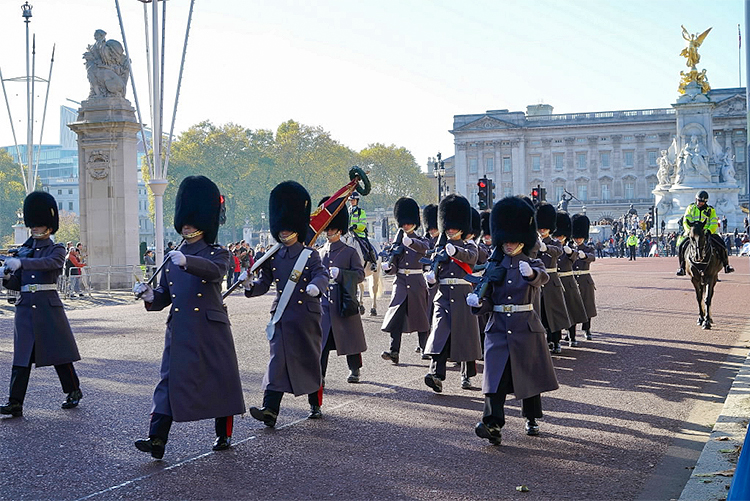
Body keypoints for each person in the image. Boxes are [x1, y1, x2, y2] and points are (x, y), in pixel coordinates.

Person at [132, 176, 245, 459]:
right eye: (184, 220)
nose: (186, 225)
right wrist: (148, 296)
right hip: (180, 328)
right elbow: (164, 297)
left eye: (191, 221)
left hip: (209, 327)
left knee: (220, 381)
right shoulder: (173, 256)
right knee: (168, 383)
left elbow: (215, 272)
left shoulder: (217, 253)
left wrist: (188, 262)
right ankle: (156, 438)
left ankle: (224, 433)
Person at [468, 196, 558, 445]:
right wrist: (478, 303)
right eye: (505, 241)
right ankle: (492, 424)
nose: (509, 245)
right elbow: (487, 298)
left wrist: (531, 275)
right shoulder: (492, 265)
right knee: (493, 378)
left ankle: (531, 418)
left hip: (524, 326)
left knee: (528, 377)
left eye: (514, 241)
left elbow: (542, 278)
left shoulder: (532, 262)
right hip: (497, 327)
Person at [242, 181, 329, 425]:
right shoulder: (273, 255)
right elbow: (264, 283)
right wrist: (249, 284)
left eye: (287, 228)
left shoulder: (309, 255)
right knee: (277, 361)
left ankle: (315, 403)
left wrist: (315, 286)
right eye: (280, 228)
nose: (282, 232)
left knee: (309, 360)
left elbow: (322, 274)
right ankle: (270, 410)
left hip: (305, 316)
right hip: (281, 317)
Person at [0, 191, 83, 418]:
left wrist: (22, 263)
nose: (35, 228)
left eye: (39, 224)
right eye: (33, 224)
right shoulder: (23, 250)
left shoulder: (55, 249)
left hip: (47, 305)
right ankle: (15, 402)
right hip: (26, 306)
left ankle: (73, 390)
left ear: (49, 225)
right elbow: (17, 284)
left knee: (59, 354)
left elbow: (51, 264)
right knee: (22, 356)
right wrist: (7, 274)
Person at [423, 194, 480, 392]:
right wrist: (430, 279)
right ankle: (436, 374)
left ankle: (467, 375)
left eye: (454, 226)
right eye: (448, 226)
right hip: (444, 295)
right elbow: (432, 270)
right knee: (439, 333)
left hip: (464, 293)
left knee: (466, 337)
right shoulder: (438, 248)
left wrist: (456, 252)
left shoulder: (469, 245)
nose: (451, 230)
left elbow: (472, 258)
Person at [316, 196, 367, 390]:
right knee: (322, 342)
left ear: (340, 229)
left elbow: (360, 275)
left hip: (344, 299)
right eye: (327, 229)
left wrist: (341, 275)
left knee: (350, 338)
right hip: (325, 302)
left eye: (332, 228)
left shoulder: (349, 252)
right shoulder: (320, 252)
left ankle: (354, 369)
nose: (329, 232)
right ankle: (320, 375)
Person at [381, 197, 431, 365]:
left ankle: (425, 348)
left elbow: (425, 247)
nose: (406, 225)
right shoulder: (397, 242)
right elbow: (395, 265)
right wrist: (388, 268)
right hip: (401, 281)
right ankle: (394, 351)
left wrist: (411, 242)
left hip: (417, 280)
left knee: (421, 317)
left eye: (408, 223)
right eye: (404, 223)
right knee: (396, 316)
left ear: (414, 223)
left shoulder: (420, 239)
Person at [533, 203, 571, 355]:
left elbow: (558, 251)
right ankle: (544, 341)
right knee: (539, 313)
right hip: (537, 281)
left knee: (553, 314)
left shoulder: (554, 242)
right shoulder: (532, 242)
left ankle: (556, 341)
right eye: (540, 228)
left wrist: (545, 248)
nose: (542, 230)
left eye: (545, 228)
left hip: (551, 280)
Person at [676, 191, 734, 275]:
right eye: (699, 201)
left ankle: (726, 265)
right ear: (696, 199)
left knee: (722, 245)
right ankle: (682, 268)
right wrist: (689, 231)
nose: (700, 203)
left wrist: (709, 231)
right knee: (681, 246)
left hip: (706, 232)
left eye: (703, 202)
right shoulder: (690, 208)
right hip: (693, 233)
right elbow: (685, 221)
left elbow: (714, 222)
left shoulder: (710, 209)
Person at [554, 212, 588, 347]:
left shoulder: (569, 250)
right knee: (555, 312)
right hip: (555, 284)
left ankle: (572, 336)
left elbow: (575, 258)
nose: (558, 238)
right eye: (556, 236)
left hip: (568, 283)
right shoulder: (550, 248)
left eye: (561, 236)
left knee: (571, 311)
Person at [571, 214, 597, 342]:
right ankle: (572, 333)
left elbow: (592, 257)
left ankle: (587, 329)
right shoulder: (569, 248)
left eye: (580, 237)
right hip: (572, 280)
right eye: (576, 237)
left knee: (587, 306)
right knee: (572, 306)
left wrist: (584, 256)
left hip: (585, 280)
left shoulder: (589, 248)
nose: (578, 239)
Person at [348, 192, 378, 269]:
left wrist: (355, 226)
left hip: (359, 234)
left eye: (353, 200)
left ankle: (373, 262)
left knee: (368, 246)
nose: (352, 202)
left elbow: (363, 224)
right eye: (351, 200)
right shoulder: (347, 212)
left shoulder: (361, 212)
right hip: (349, 234)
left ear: (357, 201)